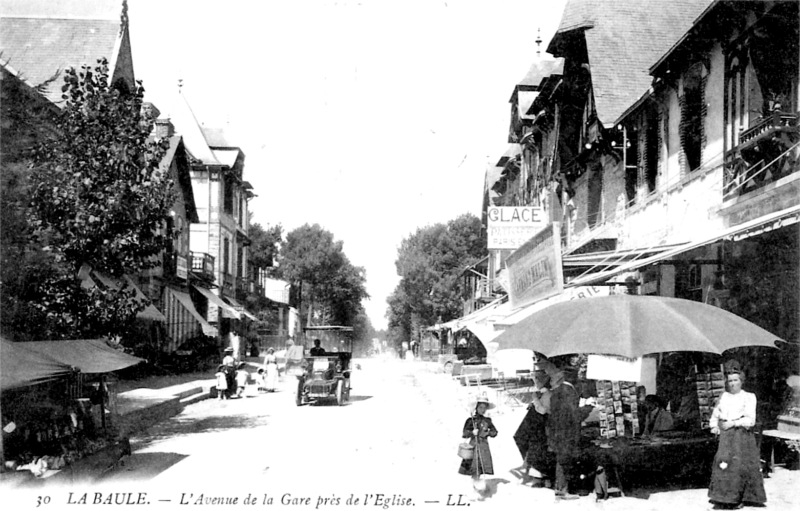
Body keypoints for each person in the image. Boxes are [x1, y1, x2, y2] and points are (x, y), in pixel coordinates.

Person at [708, 360, 766, 509]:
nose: (733, 384)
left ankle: (737, 498)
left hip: (741, 436)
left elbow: (750, 420)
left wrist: (733, 423)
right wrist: (714, 426)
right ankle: (723, 497)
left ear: (741, 381)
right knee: (723, 463)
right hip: (726, 435)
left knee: (738, 466)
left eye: (736, 380)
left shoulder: (748, 397)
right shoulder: (723, 397)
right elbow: (716, 413)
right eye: (730, 381)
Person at [543, 359, 593, 501]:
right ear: (574, 378)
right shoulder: (569, 392)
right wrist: (588, 408)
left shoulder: (557, 391)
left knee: (561, 460)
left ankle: (560, 489)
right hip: (567, 433)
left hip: (557, 432)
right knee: (565, 461)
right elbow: (575, 415)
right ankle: (562, 490)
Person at [511, 370, 553, 486]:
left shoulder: (548, 394)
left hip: (540, 426)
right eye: (535, 380)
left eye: (537, 380)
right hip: (533, 425)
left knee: (536, 447)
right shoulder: (541, 392)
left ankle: (537, 474)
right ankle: (529, 465)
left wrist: (535, 399)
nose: (536, 382)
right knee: (522, 439)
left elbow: (543, 410)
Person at [458, 395, 498, 499]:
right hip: (473, 446)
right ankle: (475, 488)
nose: (483, 410)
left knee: (482, 466)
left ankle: (480, 487)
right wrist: (472, 432)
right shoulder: (471, 420)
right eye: (480, 407)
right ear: (476, 408)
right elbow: (464, 433)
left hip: (484, 446)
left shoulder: (487, 420)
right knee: (474, 466)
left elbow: (494, 432)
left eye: (484, 408)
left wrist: (488, 432)